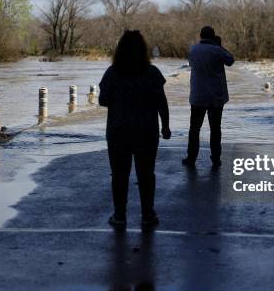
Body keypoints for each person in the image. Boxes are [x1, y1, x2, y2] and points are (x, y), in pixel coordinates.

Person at [99, 30, 171, 229]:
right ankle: (147, 214)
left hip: (118, 131)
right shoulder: (152, 73)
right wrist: (165, 125)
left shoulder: (112, 73)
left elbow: (102, 100)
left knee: (119, 176)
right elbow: (161, 103)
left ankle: (120, 215)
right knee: (146, 175)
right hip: (146, 131)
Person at [182, 26, 234, 168]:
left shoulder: (193, 50)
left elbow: (192, 65)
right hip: (215, 97)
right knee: (215, 128)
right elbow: (230, 60)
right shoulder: (217, 50)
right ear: (213, 36)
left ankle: (191, 157)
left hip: (198, 95)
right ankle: (215, 158)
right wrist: (220, 46)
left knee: (194, 128)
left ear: (200, 36)